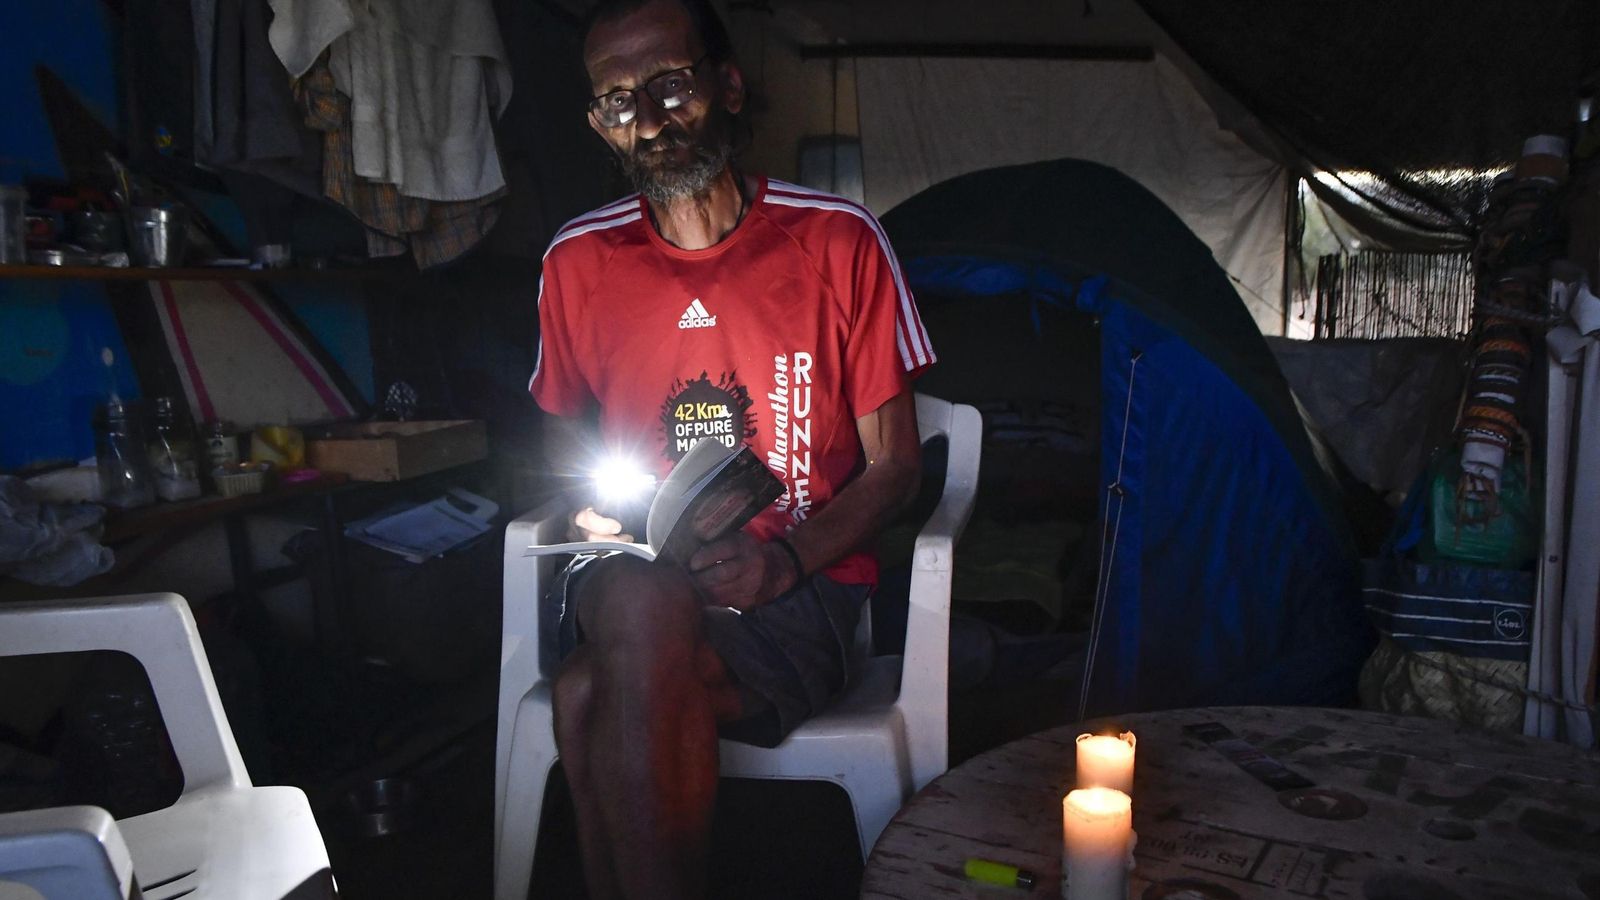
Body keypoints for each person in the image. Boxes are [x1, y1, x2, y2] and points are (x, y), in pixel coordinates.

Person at [526, 0, 935, 895]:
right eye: (619, 102)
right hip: (633, 579)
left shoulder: (837, 239)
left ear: (730, 85)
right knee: (640, 596)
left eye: (672, 86)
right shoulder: (579, 260)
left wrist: (783, 563)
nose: (650, 122)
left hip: (799, 587)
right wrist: (601, 513)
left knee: (588, 693)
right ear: (599, 124)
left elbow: (898, 465)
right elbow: (563, 451)